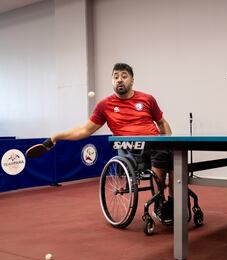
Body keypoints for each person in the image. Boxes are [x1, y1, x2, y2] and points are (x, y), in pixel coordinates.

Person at [47, 62, 174, 223]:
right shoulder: (105, 105)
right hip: (132, 150)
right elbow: (84, 130)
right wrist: (56, 136)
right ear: (112, 81)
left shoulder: (147, 99)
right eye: (115, 77)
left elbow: (162, 123)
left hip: (155, 142)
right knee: (161, 154)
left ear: (132, 80)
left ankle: (172, 201)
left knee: (176, 155)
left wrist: (168, 140)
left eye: (124, 76)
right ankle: (159, 204)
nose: (119, 80)